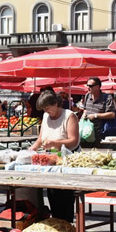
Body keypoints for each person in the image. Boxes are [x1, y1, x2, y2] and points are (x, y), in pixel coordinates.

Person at [28, 90, 80, 222]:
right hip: (51, 162)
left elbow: (73, 140)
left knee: (65, 197)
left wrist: (55, 143)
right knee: (53, 195)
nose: (46, 112)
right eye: (44, 109)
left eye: (48, 108)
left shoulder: (69, 116)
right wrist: (29, 151)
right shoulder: (46, 117)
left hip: (67, 162)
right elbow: (40, 139)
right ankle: (58, 224)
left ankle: (67, 225)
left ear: (56, 103)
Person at [81, 77, 116, 148]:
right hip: (87, 133)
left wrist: (95, 115)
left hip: (100, 133)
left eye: (90, 86)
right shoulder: (87, 95)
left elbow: (112, 114)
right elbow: (85, 109)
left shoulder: (107, 98)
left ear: (97, 87)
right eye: (87, 85)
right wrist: (84, 115)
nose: (88, 88)